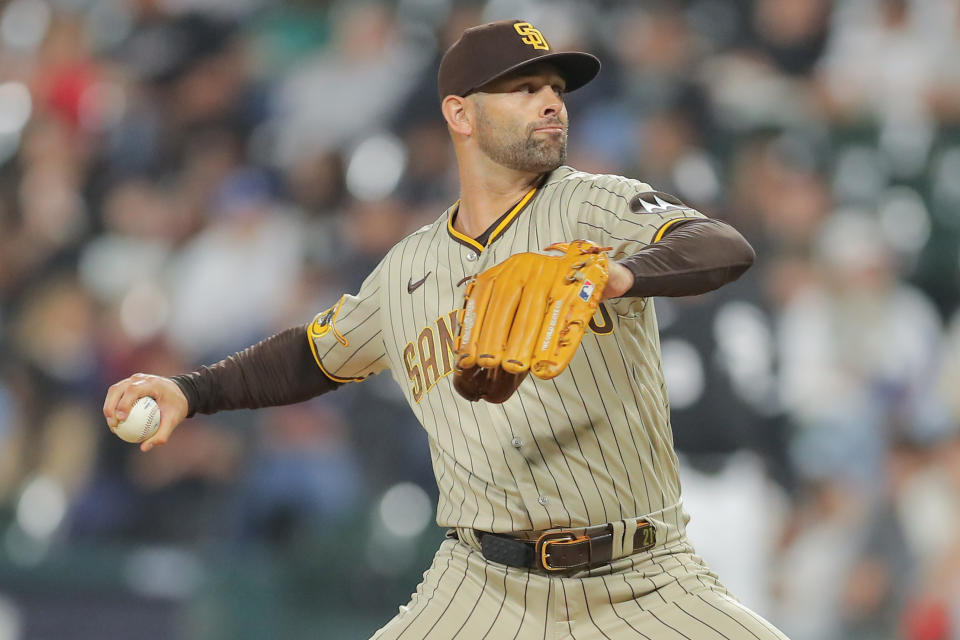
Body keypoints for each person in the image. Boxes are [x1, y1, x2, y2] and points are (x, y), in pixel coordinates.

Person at [104, 19, 789, 639]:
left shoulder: (593, 204)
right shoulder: (410, 267)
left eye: (555, 87)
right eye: (523, 89)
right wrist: (190, 390)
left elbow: (722, 245)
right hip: (483, 584)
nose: (551, 102)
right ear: (460, 113)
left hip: (642, 577)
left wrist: (624, 275)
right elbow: (313, 356)